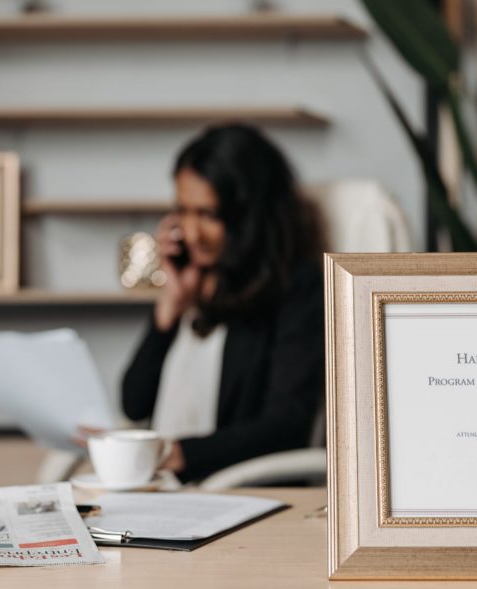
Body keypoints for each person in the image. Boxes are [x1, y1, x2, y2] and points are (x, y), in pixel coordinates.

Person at [121, 123, 325, 482]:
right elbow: (133, 403)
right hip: (163, 488)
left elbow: (287, 425)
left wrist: (179, 454)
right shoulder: (194, 280)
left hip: (231, 493)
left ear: (249, 215)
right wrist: (170, 306)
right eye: (183, 211)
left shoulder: (297, 289)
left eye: (208, 215)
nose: (191, 231)